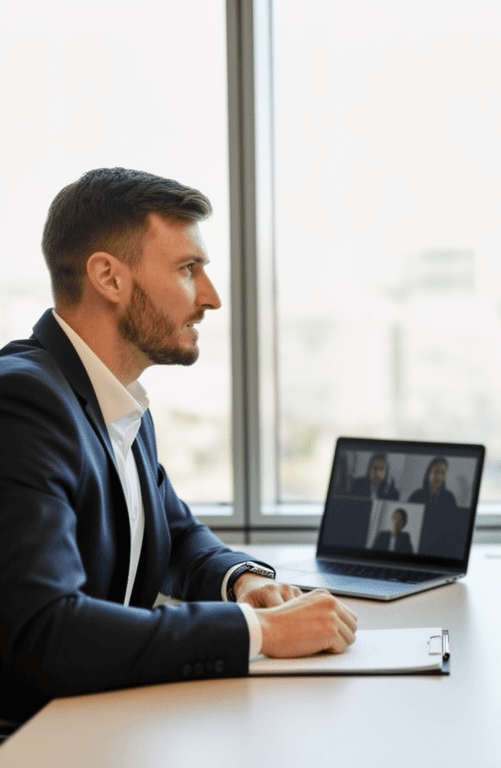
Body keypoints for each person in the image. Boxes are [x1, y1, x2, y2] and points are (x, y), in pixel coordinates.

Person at [0, 168, 358, 728]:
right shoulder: (23, 403)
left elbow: (175, 538)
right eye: (188, 269)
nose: (211, 298)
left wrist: (246, 581)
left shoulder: (117, 402)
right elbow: (47, 631)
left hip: (101, 726)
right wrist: (261, 632)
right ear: (108, 278)